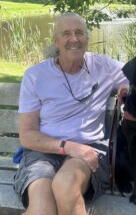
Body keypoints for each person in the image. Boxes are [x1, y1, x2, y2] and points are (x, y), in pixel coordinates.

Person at [14, 13, 128, 215]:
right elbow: (28, 134)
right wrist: (68, 147)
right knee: (41, 209)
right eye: (66, 33)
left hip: (89, 151)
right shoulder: (36, 75)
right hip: (42, 153)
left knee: (66, 185)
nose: (74, 39)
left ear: (87, 38)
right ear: (56, 41)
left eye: (79, 33)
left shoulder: (103, 67)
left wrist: (129, 87)